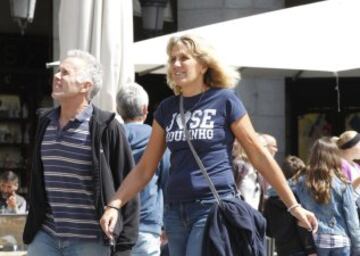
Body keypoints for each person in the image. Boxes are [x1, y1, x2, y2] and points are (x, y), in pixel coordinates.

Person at [100, 34, 317, 256]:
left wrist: (294, 206)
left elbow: (259, 155)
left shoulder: (225, 100)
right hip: (174, 211)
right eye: (172, 58)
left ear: (203, 65)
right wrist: (115, 204)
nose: (176, 64)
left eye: (184, 58)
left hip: (212, 206)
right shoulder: (167, 109)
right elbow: (146, 168)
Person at [23, 49, 139, 256]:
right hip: (45, 236)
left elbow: (128, 184)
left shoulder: (106, 127)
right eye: (58, 71)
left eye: (65, 73)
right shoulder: (43, 122)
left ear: (86, 86)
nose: (57, 76)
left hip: (90, 241)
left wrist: (124, 246)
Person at [116, 82, 170, 256]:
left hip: (115, 222)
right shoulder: (157, 139)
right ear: (146, 109)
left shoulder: (112, 138)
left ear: (118, 109)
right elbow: (167, 181)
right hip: (148, 223)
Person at [295, 137, 360, 255]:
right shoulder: (343, 183)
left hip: (315, 241)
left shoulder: (301, 182)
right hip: (341, 240)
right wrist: (357, 249)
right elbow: (352, 220)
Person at [264, 156, 317, 256]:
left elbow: (268, 231)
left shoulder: (270, 199)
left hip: (281, 249)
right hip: (301, 249)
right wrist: (311, 250)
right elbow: (303, 224)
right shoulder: (299, 195)